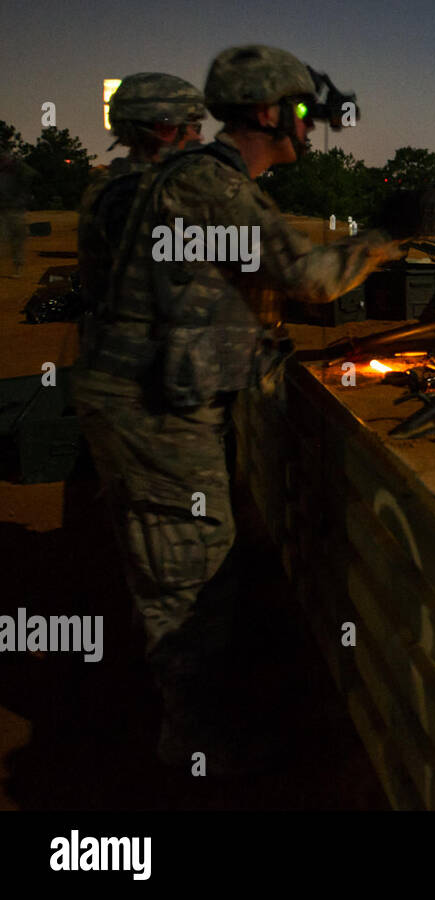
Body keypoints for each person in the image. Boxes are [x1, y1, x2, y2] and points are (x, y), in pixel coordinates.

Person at [70, 45, 401, 773]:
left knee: (182, 557)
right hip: (151, 410)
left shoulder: (205, 181)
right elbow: (311, 277)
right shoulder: (208, 186)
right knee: (193, 573)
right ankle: (193, 746)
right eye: (304, 112)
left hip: (154, 398)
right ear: (266, 112)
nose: (313, 128)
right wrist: (389, 232)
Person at [77, 72, 207, 345]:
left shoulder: (112, 183)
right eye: (193, 125)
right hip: (138, 367)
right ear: (165, 128)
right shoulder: (141, 195)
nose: (200, 137)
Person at [0, 150, 36, 277]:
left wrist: (17, 163)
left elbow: (31, 174)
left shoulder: (19, 173)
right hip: (4, 212)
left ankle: (18, 267)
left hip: (16, 211)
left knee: (17, 241)